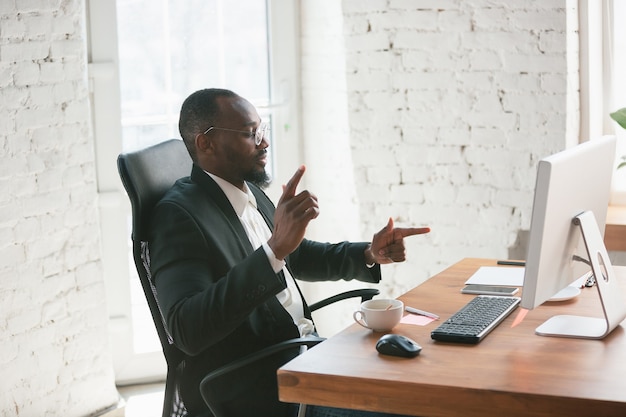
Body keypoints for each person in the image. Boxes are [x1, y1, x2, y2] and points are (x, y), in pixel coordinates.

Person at [149, 88, 430, 417]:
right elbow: (187, 328)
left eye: (261, 130)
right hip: (262, 384)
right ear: (205, 143)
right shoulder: (178, 216)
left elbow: (294, 256)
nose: (264, 142)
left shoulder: (247, 189)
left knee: (421, 385)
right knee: (406, 408)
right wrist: (274, 248)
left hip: (307, 355)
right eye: (250, 134)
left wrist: (368, 253)